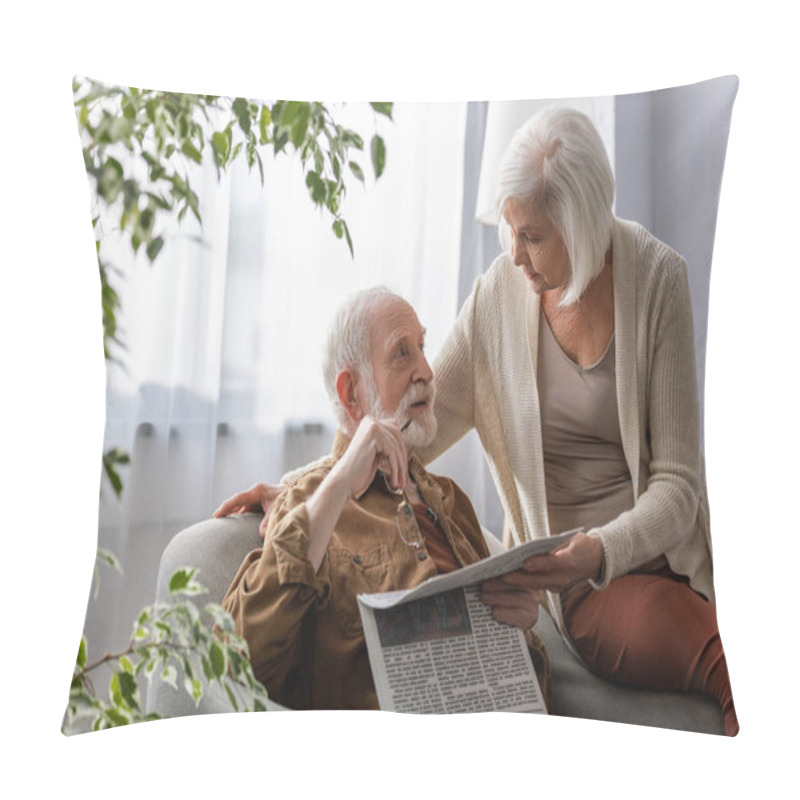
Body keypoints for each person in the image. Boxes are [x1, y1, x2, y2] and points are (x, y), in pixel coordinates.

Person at [218, 107, 738, 735]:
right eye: (509, 232)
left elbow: (679, 486)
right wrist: (311, 487)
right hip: (580, 580)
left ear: (583, 222)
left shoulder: (657, 280)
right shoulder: (501, 299)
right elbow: (394, 423)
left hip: (664, 548)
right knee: (732, 662)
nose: (515, 256)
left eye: (534, 237)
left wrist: (603, 548)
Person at [219, 287, 548, 711]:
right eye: (401, 354)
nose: (427, 370)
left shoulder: (452, 502)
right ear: (352, 394)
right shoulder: (311, 504)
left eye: (423, 348)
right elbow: (231, 662)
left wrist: (520, 638)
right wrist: (338, 482)